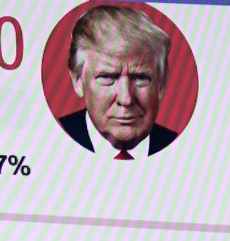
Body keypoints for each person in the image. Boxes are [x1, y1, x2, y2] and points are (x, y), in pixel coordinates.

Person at [55, 6, 178, 160]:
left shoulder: (185, 149)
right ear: (78, 80)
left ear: (161, 84)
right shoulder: (48, 139)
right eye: (107, 77)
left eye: (140, 78)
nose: (126, 99)